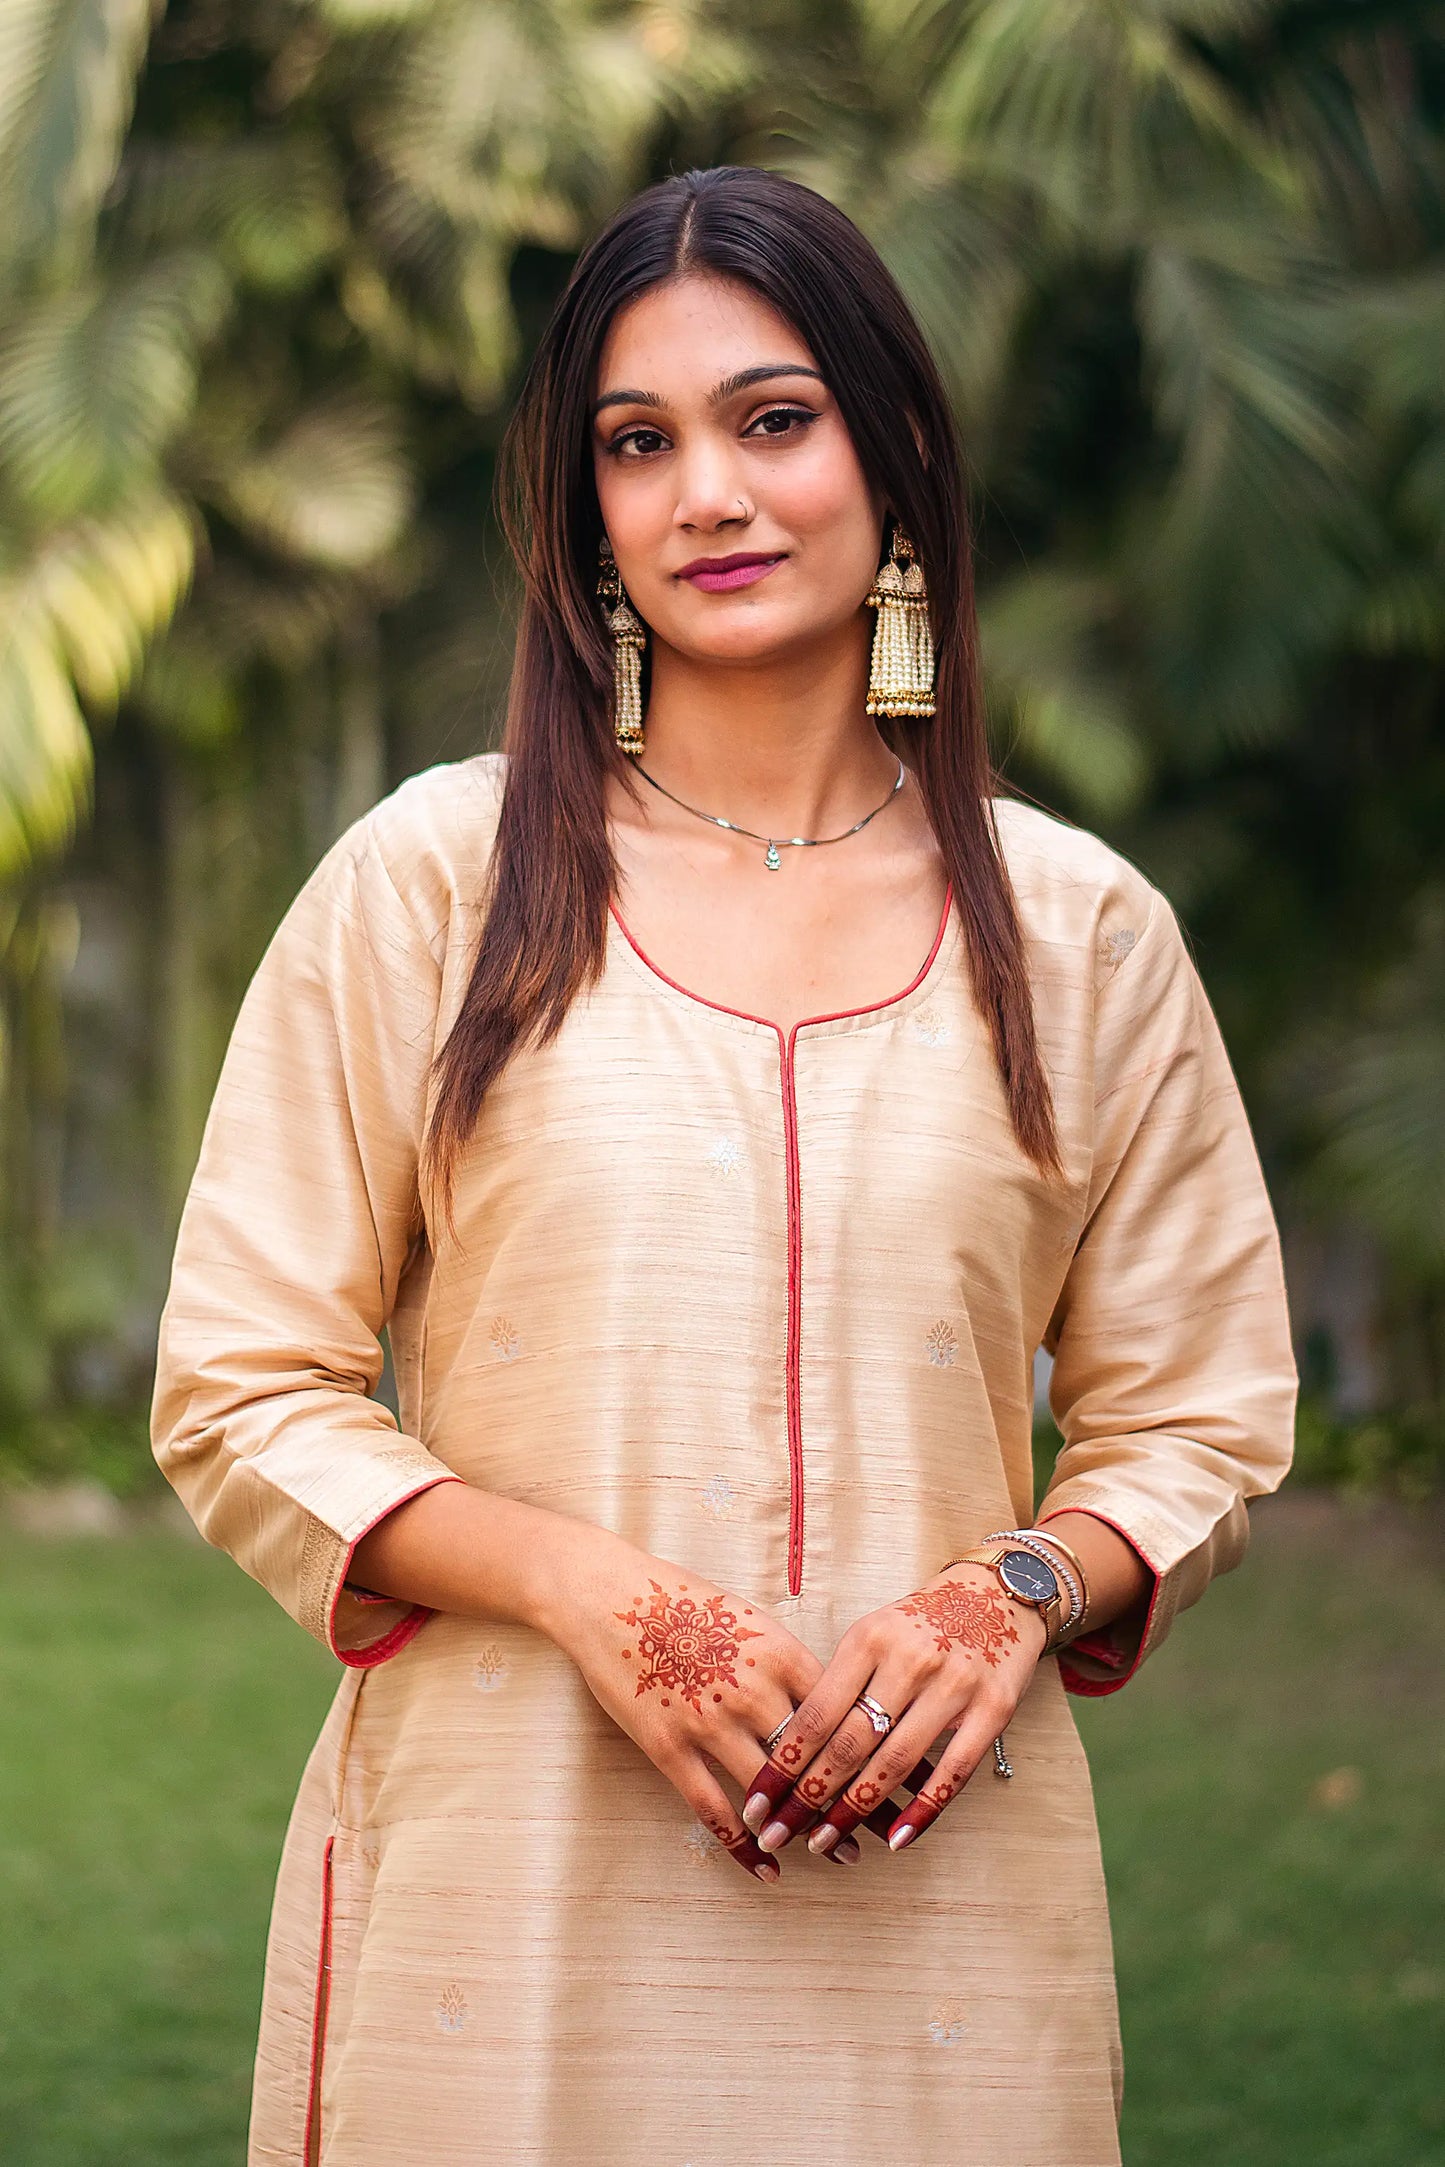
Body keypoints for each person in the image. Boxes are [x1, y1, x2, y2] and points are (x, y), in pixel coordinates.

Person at [150, 165, 1298, 2167]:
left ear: (898, 450)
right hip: (502, 1915)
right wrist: (592, 1594)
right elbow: (243, 1390)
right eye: (638, 442)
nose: (709, 492)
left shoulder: (1081, 933)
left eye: (775, 418)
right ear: (588, 514)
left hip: (946, 1934)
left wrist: (1009, 1593)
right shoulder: (436, 884)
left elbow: (1198, 1414)